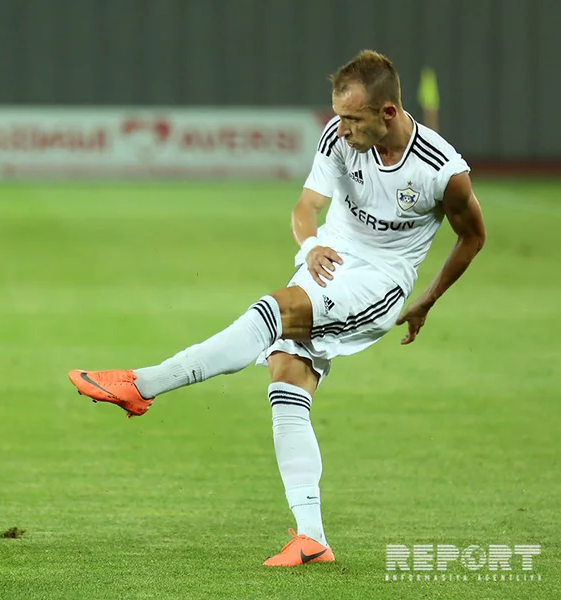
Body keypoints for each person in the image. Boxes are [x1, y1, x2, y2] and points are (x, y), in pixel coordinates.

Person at [68, 50, 486, 567]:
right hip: (327, 261)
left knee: (275, 311)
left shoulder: (443, 172)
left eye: (354, 119)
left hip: (377, 283)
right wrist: (310, 247)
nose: (343, 128)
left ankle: (142, 384)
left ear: (389, 113)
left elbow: (473, 237)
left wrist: (426, 299)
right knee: (286, 379)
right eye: (339, 116)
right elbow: (306, 207)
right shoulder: (337, 138)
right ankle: (312, 538)